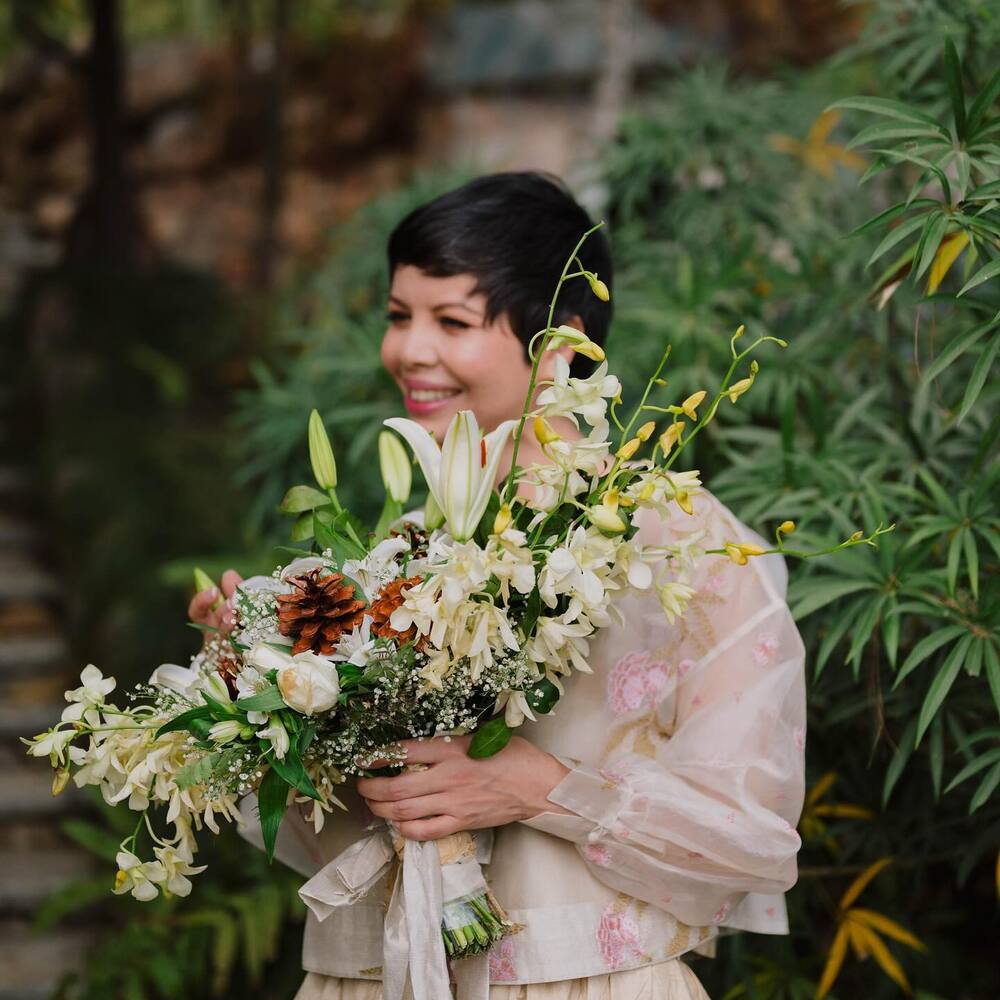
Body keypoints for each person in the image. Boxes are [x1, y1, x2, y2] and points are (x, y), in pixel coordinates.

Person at [190, 172, 806, 1000]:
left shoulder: (684, 543)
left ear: (562, 345)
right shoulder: (401, 548)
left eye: (451, 321)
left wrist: (539, 789)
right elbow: (326, 833)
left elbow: (754, 843)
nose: (409, 350)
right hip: (379, 976)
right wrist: (254, 684)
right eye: (400, 316)